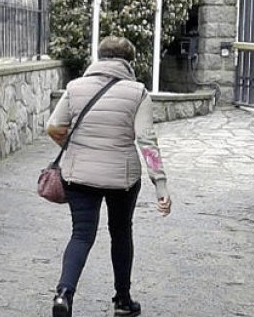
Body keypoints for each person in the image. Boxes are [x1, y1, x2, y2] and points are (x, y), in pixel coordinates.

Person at [47, 36, 171, 317]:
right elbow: (146, 140)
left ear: (99, 58)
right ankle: (123, 302)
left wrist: (73, 148)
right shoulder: (137, 92)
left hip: (79, 175)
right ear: (129, 62)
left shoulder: (75, 87)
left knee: (81, 234)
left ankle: (63, 294)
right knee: (121, 233)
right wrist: (160, 184)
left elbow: (54, 126)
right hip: (122, 179)